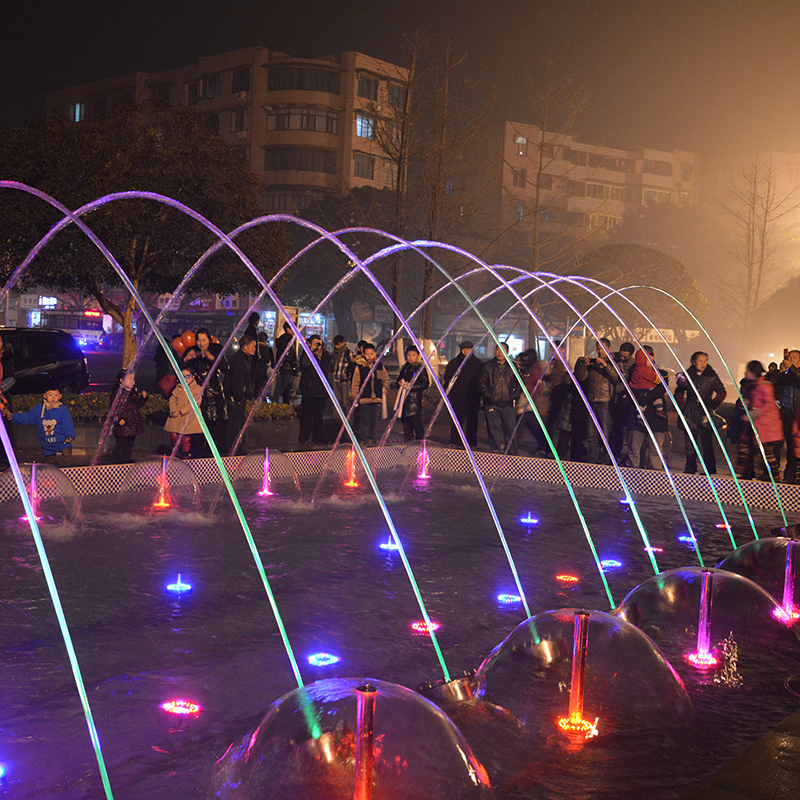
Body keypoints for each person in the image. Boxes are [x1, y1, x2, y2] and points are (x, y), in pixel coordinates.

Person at [673, 350, 727, 475]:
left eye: (705, 361)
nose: (703, 364)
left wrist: (711, 405)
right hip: (690, 411)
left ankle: (710, 469)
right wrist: (682, 406)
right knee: (690, 443)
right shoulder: (688, 375)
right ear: (693, 362)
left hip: (705, 411)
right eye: (700, 361)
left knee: (707, 443)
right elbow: (679, 392)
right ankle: (690, 468)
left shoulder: (711, 376)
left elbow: (721, 392)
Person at [181, 327, 228, 455]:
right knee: (196, 425)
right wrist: (186, 359)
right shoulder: (192, 351)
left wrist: (212, 358)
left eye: (204, 340)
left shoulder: (216, 350)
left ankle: (213, 453)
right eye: (199, 340)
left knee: (213, 423)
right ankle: (198, 454)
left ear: (209, 339)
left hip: (213, 393)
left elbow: (225, 368)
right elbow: (181, 371)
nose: (201, 343)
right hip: (195, 393)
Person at [574, 338, 620, 464]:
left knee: (605, 434)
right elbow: (581, 378)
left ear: (609, 349)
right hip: (592, 401)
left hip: (605, 401)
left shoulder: (613, 363)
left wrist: (605, 365)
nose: (600, 351)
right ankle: (593, 459)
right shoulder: (593, 365)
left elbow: (617, 378)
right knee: (591, 434)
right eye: (598, 348)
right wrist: (584, 367)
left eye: (603, 348)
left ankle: (605, 460)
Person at [736, 360, 783, 481]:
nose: (745, 373)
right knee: (750, 449)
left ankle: (775, 478)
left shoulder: (765, 386)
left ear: (753, 372)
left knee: (766, 453)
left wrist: (753, 414)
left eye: (747, 371)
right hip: (758, 425)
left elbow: (769, 405)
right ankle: (744, 474)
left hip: (766, 426)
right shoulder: (755, 386)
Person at [4, 386, 75, 464]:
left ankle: (68, 469)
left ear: (60, 396)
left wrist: (69, 435)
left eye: (56, 395)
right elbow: (28, 417)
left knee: (67, 455)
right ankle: (50, 470)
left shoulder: (63, 410)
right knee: (49, 462)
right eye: (50, 395)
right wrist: (13, 417)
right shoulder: (39, 410)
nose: (53, 397)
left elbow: (67, 423)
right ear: (45, 396)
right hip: (47, 444)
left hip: (62, 441)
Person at [624, 347, 666, 469]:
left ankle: (656, 474)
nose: (651, 358)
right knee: (634, 447)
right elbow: (631, 389)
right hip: (637, 416)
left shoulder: (661, 374)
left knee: (656, 450)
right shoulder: (633, 373)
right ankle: (633, 472)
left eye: (652, 355)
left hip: (656, 418)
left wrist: (646, 397)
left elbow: (661, 389)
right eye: (648, 356)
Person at [479, 342, 521, 454]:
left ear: (507, 352)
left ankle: (512, 454)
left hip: (508, 405)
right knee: (493, 431)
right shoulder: (487, 366)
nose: (499, 352)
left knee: (510, 430)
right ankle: (495, 453)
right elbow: (482, 384)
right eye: (497, 349)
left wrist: (512, 396)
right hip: (492, 404)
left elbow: (520, 384)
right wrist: (490, 396)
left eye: (502, 350)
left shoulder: (513, 366)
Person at [442, 340, 483, 448]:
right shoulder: (454, 363)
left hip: (473, 397)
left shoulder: (478, 364)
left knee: (472, 422)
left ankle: (471, 443)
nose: (466, 351)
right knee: (457, 422)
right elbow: (448, 379)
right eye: (464, 349)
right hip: (458, 397)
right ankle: (455, 442)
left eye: (468, 349)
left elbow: (482, 381)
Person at [350, 343, 389, 444]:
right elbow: (355, 382)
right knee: (364, 420)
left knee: (374, 420)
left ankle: (372, 438)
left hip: (376, 398)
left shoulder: (379, 366)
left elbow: (385, 378)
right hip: (364, 398)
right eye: (367, 354)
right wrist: (355, 395)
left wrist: (385, 387)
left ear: (375, 353)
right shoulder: (360, 367)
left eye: (371, 354)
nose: (369, 356)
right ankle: (363, 439)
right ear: (363, 354)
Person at [298, 335, 331, 447]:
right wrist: (310, 351)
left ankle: (319, 437)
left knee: (319, 416)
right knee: (306, 416)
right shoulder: (306, 354)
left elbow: (329, 371)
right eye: (315, 343)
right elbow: (304, 365)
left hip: (321, 390)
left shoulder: (326, 356)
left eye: (319, 343)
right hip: (309, 390)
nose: (318, 346)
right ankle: (304, 437)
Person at [772, 349, 800, 482]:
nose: (791, 359)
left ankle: (790, 475)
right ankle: (773, 473)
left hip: (795, 415)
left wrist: (792, 369)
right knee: (776, 443)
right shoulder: (785, 375)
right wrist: (780, 371)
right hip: (782, 412)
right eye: (790, 357)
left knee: (792, 446)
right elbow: (773, 384)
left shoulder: (796, 374)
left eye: (794, 357)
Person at [226, 335, 256, 455]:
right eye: (253, 346)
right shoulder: (239, 359)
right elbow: (236, 380)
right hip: (236, 399)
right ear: (245, 347)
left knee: (239, 423)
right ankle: (234, 450)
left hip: (239, 397)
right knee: (235, 425)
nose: (254, 349)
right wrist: (240, 397)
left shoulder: (245, 358)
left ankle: (238, 447)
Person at [109, 369, 147, 463]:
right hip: (123, 424)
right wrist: (119, 419)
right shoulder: (117, 393)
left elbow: (136, 405)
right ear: (121, 380)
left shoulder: (132, 392)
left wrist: (143, 399)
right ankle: (116, 461)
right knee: (121, 444)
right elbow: (113, 408)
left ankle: (126, 460)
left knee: (130, 443)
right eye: (129, 379)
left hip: (132, 423)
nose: (132, 382)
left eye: (133, 379)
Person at [164, 369, 204, 458]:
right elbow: (172, 399)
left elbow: (195, 402)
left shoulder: (197, 388)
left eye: (188, 376)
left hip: (189, 417)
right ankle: (176, 452)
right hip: (177, 416)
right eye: (183, 376)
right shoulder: (178, 388)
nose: (185, 379)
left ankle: (185, 456)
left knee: (186, 439)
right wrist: (174, 411)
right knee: (174, 436)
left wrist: (182, 411)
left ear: (193, 377)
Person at [516, 348, 547, 455]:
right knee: (532, 425)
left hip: (531, 401)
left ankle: (513, 445)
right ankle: (542, 446)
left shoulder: (534, 370)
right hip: (528, 401)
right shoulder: (529, 369)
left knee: (523, 423)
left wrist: (530, 393)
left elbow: (538, 386)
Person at [396, 345, 429, 441]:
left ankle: (420, 442)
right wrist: (400, 383)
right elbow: (398, 380)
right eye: (408, 355)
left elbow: (425, 383)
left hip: (414, 400)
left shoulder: (420, 368)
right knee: (405, 423)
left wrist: (411, 386)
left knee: (416, 422)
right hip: (404, 400)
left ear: (418, 356)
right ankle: (408, 441)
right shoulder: (405, 367)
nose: (410, 357)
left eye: (413, 355)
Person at [610, 342, 636, 459]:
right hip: (610, 397)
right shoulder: (612, 358)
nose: (622, 358)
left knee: (621, 429)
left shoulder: (633, 365)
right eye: (621, 355)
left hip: (623, 400)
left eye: (625, 357)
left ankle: (618, 453)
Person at [273, 322, 298, 405]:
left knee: (279, 386)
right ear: (288, 329)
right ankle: (286, 405)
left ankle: (274, 403)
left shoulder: (281, 339)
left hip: (281, 366)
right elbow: (289, 354)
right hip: (288, 367)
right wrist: (294, 364)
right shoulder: (289, 339)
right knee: (287, 387)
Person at [329, 334, 353, 413]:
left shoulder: (348, 353)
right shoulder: (334, 353)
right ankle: (336, 418)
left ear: (343, 343)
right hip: (336, 379)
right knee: (336, 401)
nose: (337, 346)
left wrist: (347, 374)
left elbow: (352, 365)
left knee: (345, 402)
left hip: (345, 380)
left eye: (338, 344)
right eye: (335, 344)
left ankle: (347, 417)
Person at [253, 331, 275, 399]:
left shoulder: (255, 347)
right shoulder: (267, 348)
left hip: (255, 369)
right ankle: (261, 398)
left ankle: (255, 398)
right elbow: (269, 359)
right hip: (263, 369)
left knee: (256, 386)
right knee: (262, 386)